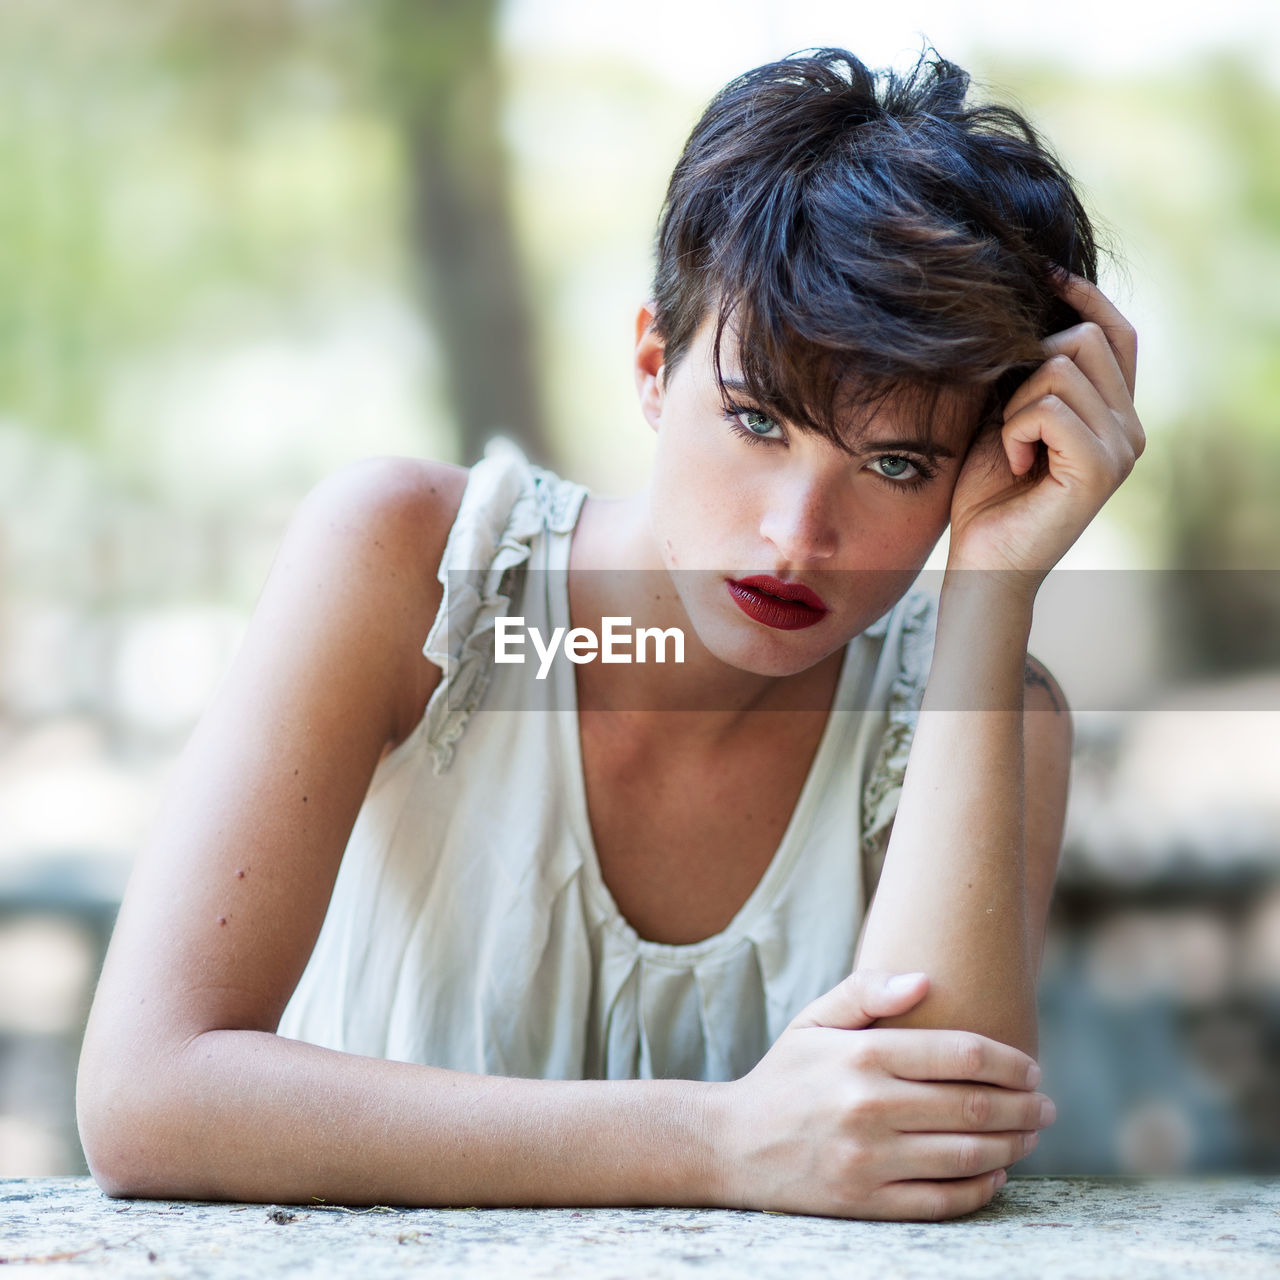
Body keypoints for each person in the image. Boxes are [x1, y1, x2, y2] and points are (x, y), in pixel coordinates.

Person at [76, 47, 1142, 1221]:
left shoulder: (983, 714)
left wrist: (993, 581)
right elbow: (147, 1089)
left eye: (897, 464)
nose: (796, 538)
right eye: (754, 419)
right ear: (651, 364)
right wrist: (717, 1140)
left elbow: (934, 1146)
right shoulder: (420, 574)